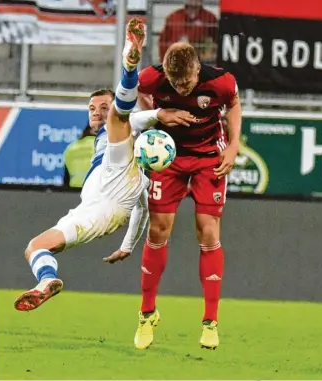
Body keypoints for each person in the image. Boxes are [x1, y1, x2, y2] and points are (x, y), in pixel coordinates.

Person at [14, 18, 194, 311]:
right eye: (92, 109)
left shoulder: (120, 135)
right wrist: (127, 246)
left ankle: (129, 65)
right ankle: (46, 281)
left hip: (114, 179)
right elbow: (143, 208)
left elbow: (131, 119)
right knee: (35, 247)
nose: (96, 113)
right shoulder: (133, 168)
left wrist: (158, 115)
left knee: (119, 120)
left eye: (102, 107)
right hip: (96, 208)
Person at [133, 42, 242, 350]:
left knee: (208, 231)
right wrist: (156, 114)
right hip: (168, 159)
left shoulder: (221, 81)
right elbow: (128, 91)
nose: (181, 89)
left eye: (187, 82)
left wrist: (233, 147)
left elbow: (234, 105)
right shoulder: (152, 78)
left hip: (209, 157)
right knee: (158, 230)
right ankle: (146, 314)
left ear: (197, 68)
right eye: (175, 83)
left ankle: (210, 321)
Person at [159, 0, 218, 64]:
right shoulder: (173, 17)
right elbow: (163, 42)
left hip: (200, 65)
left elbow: (217, 42)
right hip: (176, 64)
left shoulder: (210, 18)